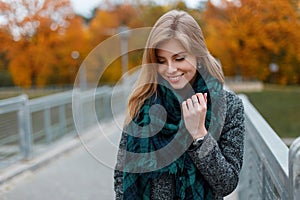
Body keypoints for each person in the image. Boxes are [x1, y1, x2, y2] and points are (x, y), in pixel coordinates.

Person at [114, 9, 245, 200]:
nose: (170, 69)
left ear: (198, 56)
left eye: (179, 58)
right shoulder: (143, 103)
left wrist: (199, 135)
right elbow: (121, 176)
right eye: (161, 61)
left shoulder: (229, 107)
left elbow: (227, 183)